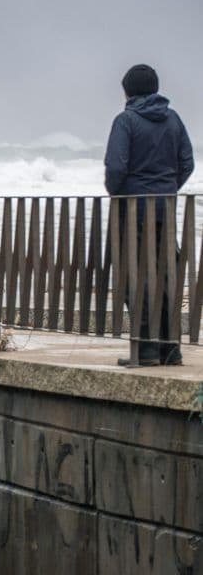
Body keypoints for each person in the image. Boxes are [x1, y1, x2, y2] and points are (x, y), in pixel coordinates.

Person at [105, 64, 194, 366]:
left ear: (128, 91)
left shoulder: (126, 121)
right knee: (166, 274)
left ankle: (144, 349)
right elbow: (187, 163)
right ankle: (171, 349)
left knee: (136, 276)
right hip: (165, 209)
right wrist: (168, 189)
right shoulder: (173, 120)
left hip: (132, 211)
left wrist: (119, 193)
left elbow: (116, 168)